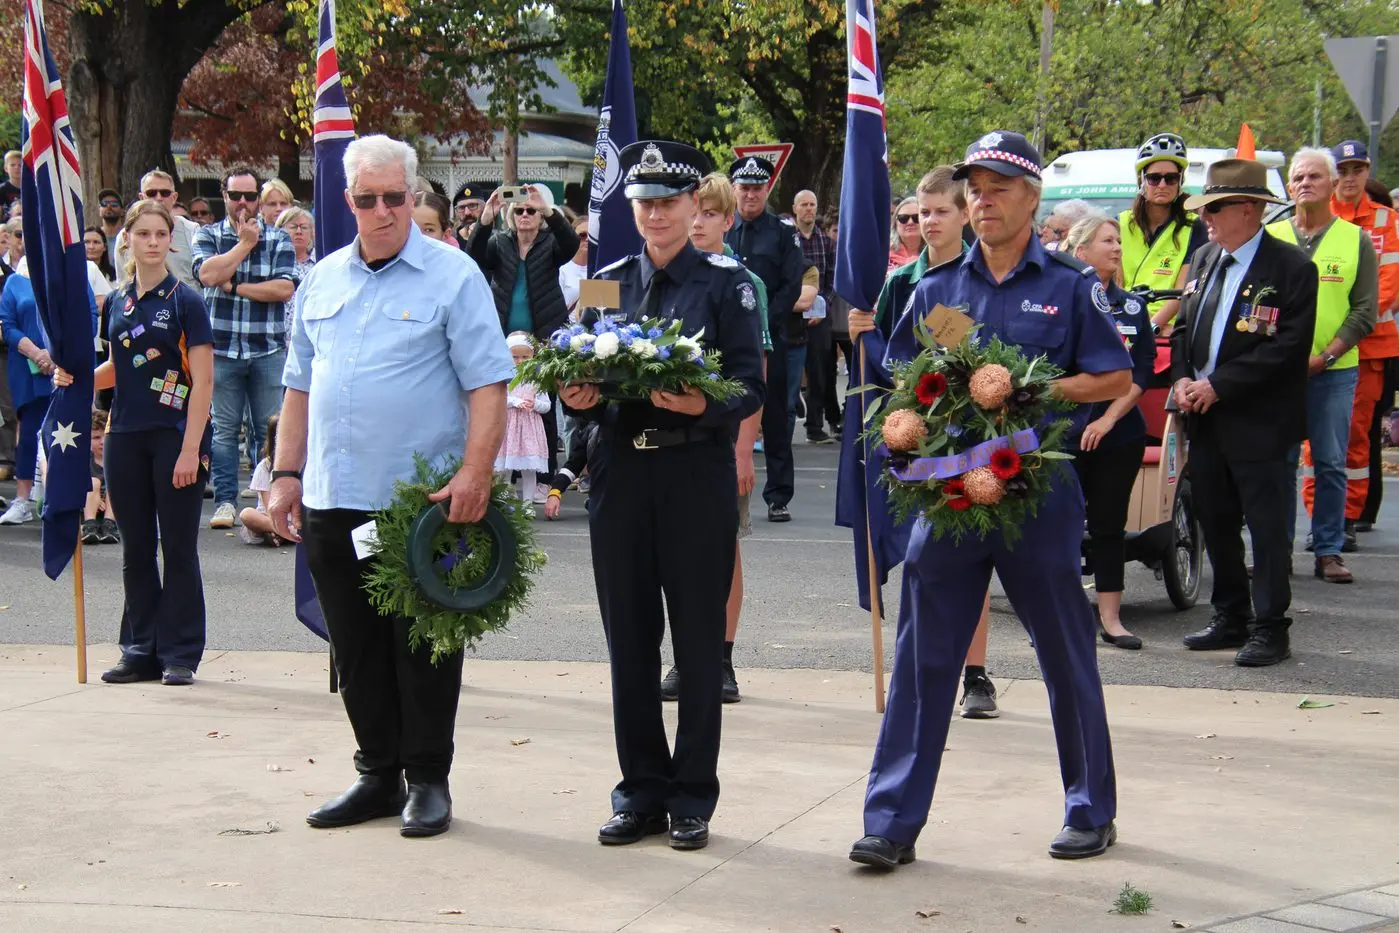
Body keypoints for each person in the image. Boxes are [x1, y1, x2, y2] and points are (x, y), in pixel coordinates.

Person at [846, 130, 1131, 869]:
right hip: (951, 498)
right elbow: (905, 380)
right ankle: (891, 821)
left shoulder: (1068, 285)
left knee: (1065, 653)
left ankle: (1088, 807)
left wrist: (1034, 388)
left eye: (998, 188)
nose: (982, 201)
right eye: (973, 188)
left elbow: (1111, 376)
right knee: (920, 657)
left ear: (1031, 199)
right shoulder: (936, 289)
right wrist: (902, 424)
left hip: (1035, 494)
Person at [270, 134, 513, 839]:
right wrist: (286, 476)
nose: (381, 211)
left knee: (425, 646)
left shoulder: (452, 275)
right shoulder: (321, 280)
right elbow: (297, 386)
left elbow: (488, 383)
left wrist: (476, 473)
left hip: (418, 507)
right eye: (367, 199)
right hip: (330, 497)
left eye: (394, 198)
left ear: (414, 197)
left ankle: (427, 778)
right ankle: (377, 772)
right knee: (356, 646)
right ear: (347, 201)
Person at [562, 140, 764, 852]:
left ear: (691, 206)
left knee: (698, 642)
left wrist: (698, 407)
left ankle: (690, 795)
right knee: (628, 640)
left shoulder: (724, 284)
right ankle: (639, 789)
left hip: (691, 473)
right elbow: (574, 362)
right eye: (642, 202)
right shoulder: (605, 280)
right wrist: (575, 397)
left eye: (667, 201)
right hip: (620, 472)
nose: (653, 213)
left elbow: (749, 381)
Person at [54, 199, 215, 686]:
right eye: (142, 233)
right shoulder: (116, 301)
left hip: (175, 437)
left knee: (180, 548)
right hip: (124, 435)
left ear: (170, 240)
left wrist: (191, 449)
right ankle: (140, 647)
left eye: (159, 234)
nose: (151, 242)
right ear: (127, 239)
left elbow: (205, 381)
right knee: (136, 548)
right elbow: (117, 367)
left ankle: (181, 652)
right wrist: (77, 378)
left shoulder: (185, 300)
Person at [1171, 158, 1317, 667]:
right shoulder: (1208, 257)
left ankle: (1271, 626)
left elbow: (1287, 348)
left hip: (1260, 422)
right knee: (1215, 518)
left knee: (1268, 528)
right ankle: (1230, 614)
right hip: (1205, 418)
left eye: (1216, 208)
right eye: (1205, 207)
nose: (1206, 218)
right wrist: (1185, 379)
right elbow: (1183, 328)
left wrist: (1220, 385)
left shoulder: (1291, 267)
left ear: (1252, 209)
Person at [870, 165, 1000, 716]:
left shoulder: (982, 276)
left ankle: (976, 674)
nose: (928, 223)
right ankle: (924, 669)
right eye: (920, 214)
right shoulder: (904, 282)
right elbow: (889, 356)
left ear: (965, 214)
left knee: (978, 555)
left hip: (981, 437)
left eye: (940, 212)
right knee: (927, 556)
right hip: (925, 438)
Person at [658, 170, 773, 705]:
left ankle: (721, 657)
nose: (698, 223)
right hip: (659, 447)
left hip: (719, 438)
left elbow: (756, 373)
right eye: (694, 211)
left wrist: (743, 446)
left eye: (709, 214)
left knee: (723, 552)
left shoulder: (740, 282)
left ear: (727, 220)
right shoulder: (656, 274)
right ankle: (681, 658)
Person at [1267, 148, 1377, 581]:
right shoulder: (1271, 236)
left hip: (1334, 371)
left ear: (1333, 185)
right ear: (1289, 186)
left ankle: (1329, 549)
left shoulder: (1355, 239)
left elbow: (1364, 309)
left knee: (1330, 461)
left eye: (1315, 176)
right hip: (1277, 374)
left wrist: (1326, 354)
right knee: (1277, 462)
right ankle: (1275, 551)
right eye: (1298, 177)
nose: (1305, 183)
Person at [1065, 215, 1158, 648]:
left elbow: (1141, 372)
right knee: (1059, 526)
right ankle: (1059, 615)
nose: (1117, 247)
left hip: (1117, 434)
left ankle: (1111, 619)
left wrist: (1107, 419)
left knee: (1108, 526)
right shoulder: (1062, 301)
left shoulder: (1134, 307)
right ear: (1081, 251)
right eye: (1107, 240)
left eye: (1119, 240)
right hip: (1065, 434)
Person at [191, 165, 299, 530]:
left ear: (258, 198)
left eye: (250, 196)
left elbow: (284, 289)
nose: (242, 203)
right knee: (223, 430)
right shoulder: (208, 235)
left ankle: (267, 501)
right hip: (220, 348)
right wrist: (245, 244)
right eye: (235, 195)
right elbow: (207, 275)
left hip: (266, 348)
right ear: (223, 196)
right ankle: (225, 501)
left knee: (267, 429)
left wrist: (235, 286)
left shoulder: (281, 238)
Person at [468, 183, 580, 498]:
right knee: (503, 405)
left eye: (531, 211)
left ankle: (544, 477)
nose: (526, 215)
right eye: (520, 210)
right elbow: (474, 255)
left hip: (543, 337)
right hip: (504, 337)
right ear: (511, 215)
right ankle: (503, 473)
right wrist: (486, 217)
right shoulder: (499, 242)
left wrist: (549, 211)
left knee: (540, 406)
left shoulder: (550, 243)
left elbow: (571, 245)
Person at [725, 156, 804, 522]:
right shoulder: (724, 230)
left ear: (767, 190)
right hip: (727, 338)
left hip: (772, 337)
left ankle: (778, 496)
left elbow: (791, 286)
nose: (751, 194)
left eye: (758, 188)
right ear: (735, 190)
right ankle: (723, 488)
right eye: (745, 188)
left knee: (774, 418)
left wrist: (762, 324)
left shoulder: (783, 232)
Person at [1330, 141, 1399, 535]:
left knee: (1357, 434)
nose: (1350, 178)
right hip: (1321, 344)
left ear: (1367, 172)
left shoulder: (1386, 221)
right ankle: (1323, 513)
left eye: (1357, 170)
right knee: (1315, 439)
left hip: (1369, 346)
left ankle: (1350, 516)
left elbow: (1387, 287)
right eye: (1343, 170)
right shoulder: (1321, 217)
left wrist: (1347, 327)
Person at [1117, 134, 1210, 331]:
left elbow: (1183, 290)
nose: (1162, 185)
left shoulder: (1194, 227)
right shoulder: (1122, 223)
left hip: (1166, 329)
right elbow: (1114, 282)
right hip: (1123, 321)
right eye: (1154, 178)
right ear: (1141, 180)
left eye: (1171, 178)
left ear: (1180, 181)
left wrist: (1150, 327)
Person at [497, 332, 552, 503]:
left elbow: (547, 405)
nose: (520, 361)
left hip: (529, 428)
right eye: (515, 357)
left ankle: (528, 503)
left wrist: (534, 404)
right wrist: (514, 401)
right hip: (509, 427)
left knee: (529, 468)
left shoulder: (536, 378)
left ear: (532, 355)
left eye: (525, 357)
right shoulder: (504, 377)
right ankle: (505, 500)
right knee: (505, 467)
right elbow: (498, 399)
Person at [236, 413, 283, 546]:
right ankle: (279, 531)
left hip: (295, 518)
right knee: (246, 514)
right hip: (269, 517)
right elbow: (269, 505)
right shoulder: (265, 467)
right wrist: (277, 521)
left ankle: (280, 534)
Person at [82, 408, 120, 545]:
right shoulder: (84, 461)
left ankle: (109, 526)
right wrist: (97, 500)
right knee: (93, 482)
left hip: (114, 510)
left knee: (116, 482)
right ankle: (89, 527)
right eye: (97, 438)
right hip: (87, 508)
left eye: (106, 436)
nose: (103, 442)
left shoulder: (119, 460)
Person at [558, 217, 589, 314]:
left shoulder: (602, 270)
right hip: (567, 327)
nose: (587, 239)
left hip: (596, 327)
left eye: (592, 235)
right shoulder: (561, 269)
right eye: (582, 235)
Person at [887, 196, 921, 270]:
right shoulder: (883, 253)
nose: (910, 222)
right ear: (895, 224)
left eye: (916, 217)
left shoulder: (938, 254)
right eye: (903, 218)